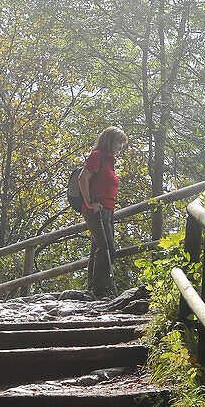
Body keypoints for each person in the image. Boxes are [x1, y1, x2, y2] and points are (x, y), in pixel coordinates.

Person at [79, 126, 128, 299]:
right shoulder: (97, 156)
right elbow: (82, 177)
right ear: (108, 141)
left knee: (98, 248)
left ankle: (91, 291)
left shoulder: (109, 161)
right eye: (118, 142)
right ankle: (99, 293)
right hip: (96, 209)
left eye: (122, 143)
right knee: (108, 249)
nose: (120, 146)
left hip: (107, 210)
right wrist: (89, 202)